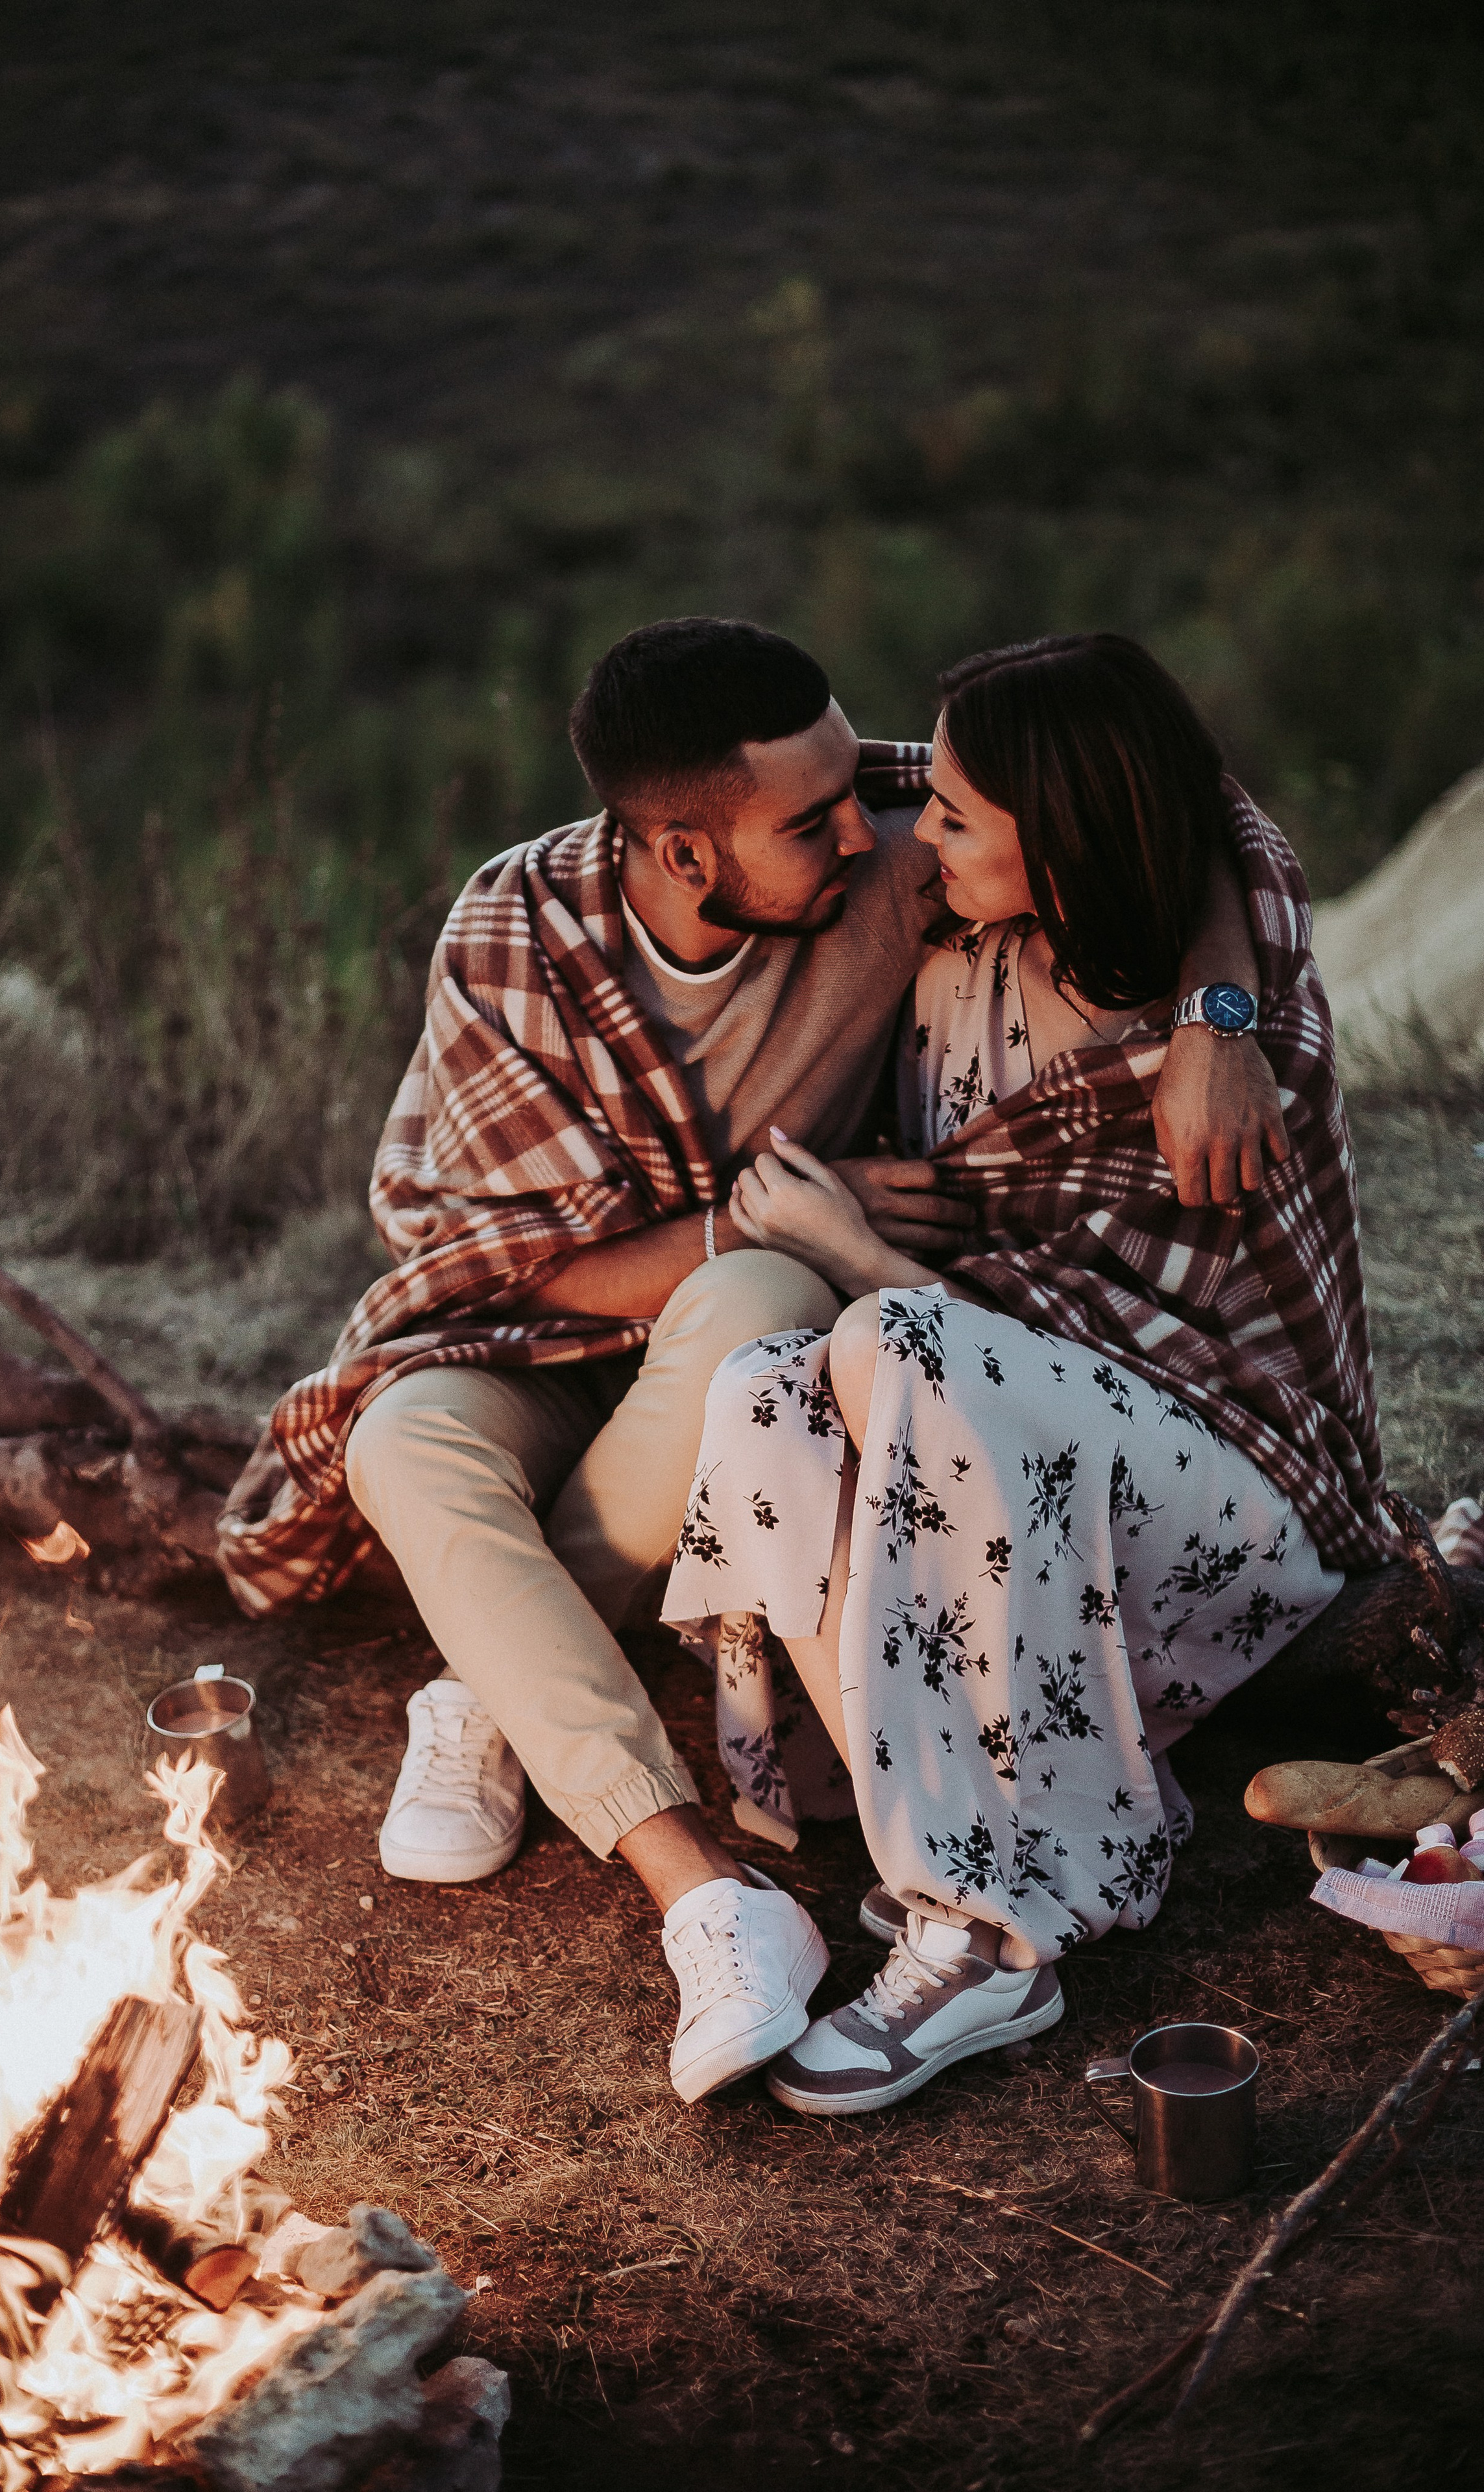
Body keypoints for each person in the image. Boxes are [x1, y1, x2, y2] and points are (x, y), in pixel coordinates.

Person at [217, 618, 1285, 2105]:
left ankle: (499, 1682)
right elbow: (515, 1260)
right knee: (404, 1439)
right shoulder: (514, 935)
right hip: (550, 1340)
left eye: (864, 787)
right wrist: (736, 1215)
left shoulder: (881, 841)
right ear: (684, 855)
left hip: (731, 1331)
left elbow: (1177, 799)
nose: (872, 830)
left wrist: (1216, 1019)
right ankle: (703, 1889)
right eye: (816, 819)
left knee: (761, 1292)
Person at [661, 632, 1387, 2116]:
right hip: (1036, 1466)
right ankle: (967, 1818)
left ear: (1058, 835)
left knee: (887, 1337)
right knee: (759, 1387)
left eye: (954, 817)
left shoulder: (1229, 1052)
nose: (909, 835)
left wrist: (844, 1240)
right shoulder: (967, 933)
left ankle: (992, 1934)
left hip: (1232, 1487)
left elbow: (1061, 1355)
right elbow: (1171, 797)